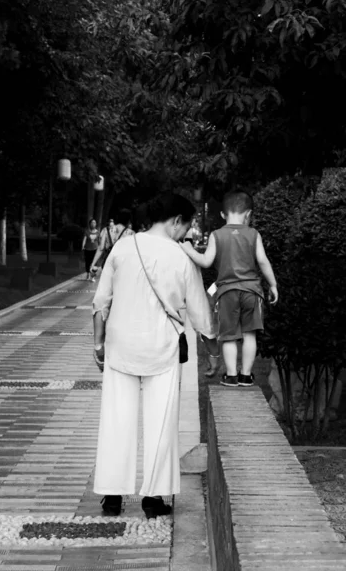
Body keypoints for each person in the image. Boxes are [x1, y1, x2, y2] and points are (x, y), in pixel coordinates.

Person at [92, 193, 218, 518]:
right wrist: (212, 347)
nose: (186, 234)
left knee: (116, 420)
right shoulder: (181, 258)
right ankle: (153, 497)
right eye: (187, 227)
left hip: (121, 346)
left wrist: (98, 344)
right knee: (161, 422)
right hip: (162, 348)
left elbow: (101, 301)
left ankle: (112, 496)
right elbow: (200, 314)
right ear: (176, 220)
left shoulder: (123, 247)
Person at [180, 188, 278, 388]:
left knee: (229, 335)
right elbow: (263, 261)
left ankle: (231, 376)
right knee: (250, 334)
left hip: (226, 293)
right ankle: (246, 376)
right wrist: (273, 284)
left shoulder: (217, 235)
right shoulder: (253, 234)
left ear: (223, 214)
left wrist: (188, 249)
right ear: (248, 214)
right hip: (252, 291)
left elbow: (206, 261)